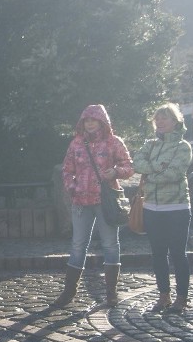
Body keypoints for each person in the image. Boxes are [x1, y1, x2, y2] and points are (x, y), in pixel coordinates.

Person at [53, 104, 134, 308]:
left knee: (110, 244)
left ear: (101, 121)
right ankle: (69, 291)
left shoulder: (114, 142)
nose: (89, 123)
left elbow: (129, 166)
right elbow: (67, 169)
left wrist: (115, 172)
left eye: (93, 120)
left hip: (105, 201)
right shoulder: (76, 144)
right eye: (86, 120)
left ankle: (111, 292)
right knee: (78, 245)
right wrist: (73, 186)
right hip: (81, 201)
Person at [132, 103, 193, 313]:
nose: (159, 122)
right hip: (151, 208)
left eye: (164, 118)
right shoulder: (150, 145)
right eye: (157, 119)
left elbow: (174, 174)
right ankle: (163, 295)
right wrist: (158, 169)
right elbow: (137, 163)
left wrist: (151, 174)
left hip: (176, 208)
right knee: (158, 254)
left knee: (178, 254)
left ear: (175, 121)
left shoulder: (183, 146)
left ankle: (182, 298)